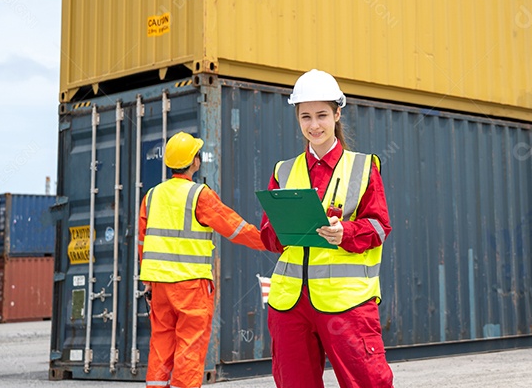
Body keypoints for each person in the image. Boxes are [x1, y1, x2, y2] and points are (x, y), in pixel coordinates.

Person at [261, 69, 394, 388]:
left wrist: (344, 234)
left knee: (367, 382)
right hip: (290, 305)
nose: (314, 125)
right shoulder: (284, 171)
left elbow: (378, 227)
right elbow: (268, 237)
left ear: (337, 114)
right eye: (305, 117)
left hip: (346, 303)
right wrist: (280, 228)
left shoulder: (363, 168)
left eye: (322, 115)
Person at [139, 131, 267, 388]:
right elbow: (234, 227)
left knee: (161, 342)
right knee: (189, 344)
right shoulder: (200, 195)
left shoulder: (152, 195)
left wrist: (149, 281)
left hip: (159, 285)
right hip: (190, 285)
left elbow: (144, 242)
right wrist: (269, 242)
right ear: (195, 161)